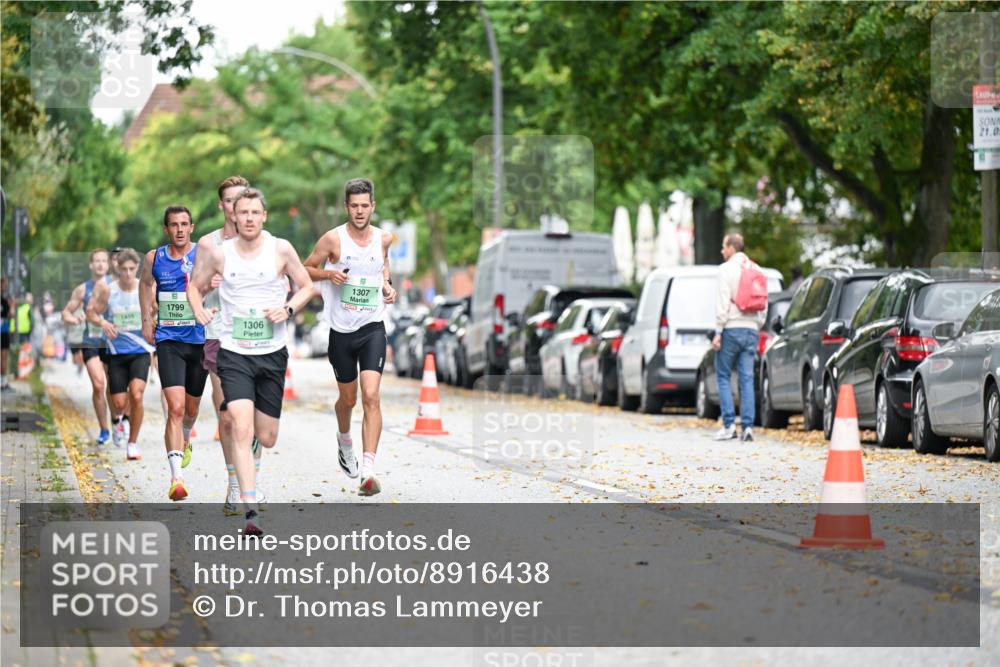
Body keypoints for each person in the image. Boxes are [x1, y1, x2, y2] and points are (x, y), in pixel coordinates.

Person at [189, 188, 313, 535]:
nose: (248, 218)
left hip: (271, 353)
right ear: (234, 215)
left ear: (264, 216)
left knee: (267, 436)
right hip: (234, 353)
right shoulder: (219, 253)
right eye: (243, 212)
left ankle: (253, 458)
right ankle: (250, 508)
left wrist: (288, 308)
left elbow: (306, 286)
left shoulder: (281, 249)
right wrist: (199, 311)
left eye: (255, 212)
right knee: (239, 427)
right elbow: (194, 287)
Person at [304, 178, 396, 496]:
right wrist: (328, 274)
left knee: (371, 396)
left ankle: (368, 471)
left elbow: (383, 265)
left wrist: (387, 285)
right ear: (346, 207)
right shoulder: (333, 239)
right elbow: (306, 268)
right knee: (348, 400)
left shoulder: (384, 238)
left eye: (364, 206)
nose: (359, 211)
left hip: (372, 327)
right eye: (354, 206)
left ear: (373, 206)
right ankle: (344, 440)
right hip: (341, 331)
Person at [196, 175, 269, 515]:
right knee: (227, 415)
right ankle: (234, 482)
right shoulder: (208, 244)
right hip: (218, 335)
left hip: (257, 335)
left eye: (242, 200)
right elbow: (193, 288)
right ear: (222, 206)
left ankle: (252, 477)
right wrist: (207, 288)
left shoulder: (264, 242)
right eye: (230, 200)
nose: (237, 206)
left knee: (254, 415)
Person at [140, 206, 209, 502]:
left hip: (200, 341)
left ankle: (186, 436)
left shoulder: (205, 254)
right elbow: (145, 284)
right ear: (166, 229)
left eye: (184, 224)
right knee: (176, 408)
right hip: (169, 340)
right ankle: (176, 478)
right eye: (173, 225)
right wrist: (146, 319)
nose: (179, 229)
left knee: (190, 411)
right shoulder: (154, 258)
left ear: (191, 227)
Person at [87, 248, 154, 460]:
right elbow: (91, 312)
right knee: (118, 404)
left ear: (137, 268)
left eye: (132, 269)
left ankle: (132, 443)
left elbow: (156, 308)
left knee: (137, 394)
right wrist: (103, 323)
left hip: (141, 350)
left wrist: (153, 320)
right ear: (118, 268)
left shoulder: (145, 288)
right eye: (124, 269)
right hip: (116, 353)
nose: (128, 273)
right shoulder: (109, 290)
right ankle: (119, 420)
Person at [712, 233, 767, 442]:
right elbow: (763, 304)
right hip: (751, 330)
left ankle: (728, 425)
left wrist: (718, 331)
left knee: (723, 376)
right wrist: (756, 325)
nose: (722, 251)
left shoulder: (725, 270)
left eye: (724, 246)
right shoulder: (757, 269)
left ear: (732, 248)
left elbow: (722, 302)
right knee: (747, 379)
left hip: (731, 328)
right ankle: (748, 427)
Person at [61, 249, 113, 444]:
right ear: (91, 265)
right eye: (96, 261)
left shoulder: (116, 285)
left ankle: (118, 421)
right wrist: (73, 319)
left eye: (103, 261)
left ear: (108, 265)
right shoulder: (83, 289)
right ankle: (104, 429)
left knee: (114, 387)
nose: (100, 264)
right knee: (99, 385)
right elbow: (65, 313)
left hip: (113, 341)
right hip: (91, 341)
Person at [1, 276, 11, 392]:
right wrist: (12, 306)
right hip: (3, 331)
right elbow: (10, 314)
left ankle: (3, 382)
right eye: (4, 285)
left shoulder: (4, 300)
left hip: (4, 331)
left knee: (4, 357)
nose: (6, 287)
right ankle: (2, 383)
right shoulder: (4, 301)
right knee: (4, 357)